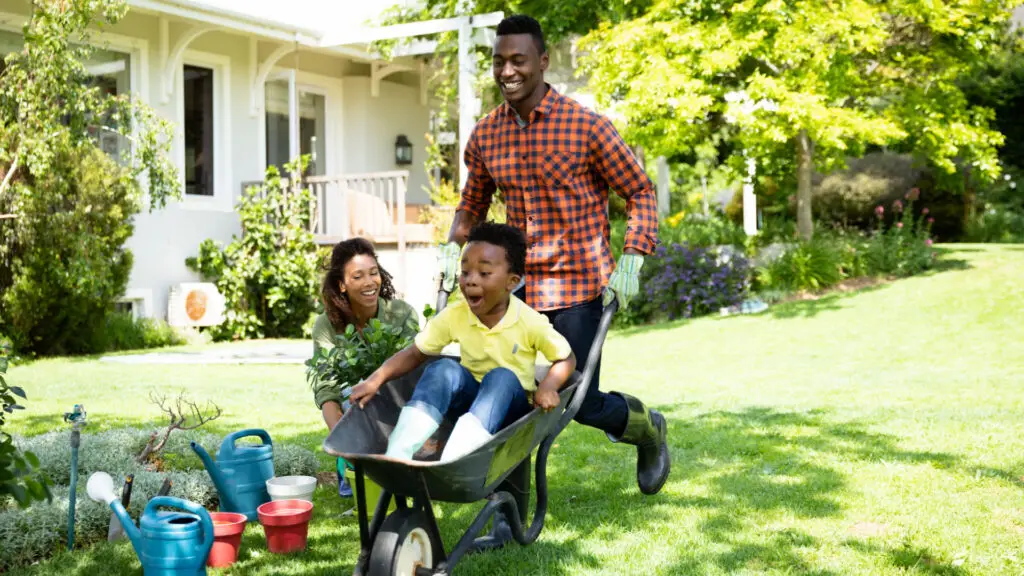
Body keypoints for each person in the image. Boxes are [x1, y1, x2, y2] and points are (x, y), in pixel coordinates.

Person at [437, 15, 670, 495]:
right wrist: (453, 244)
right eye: (499, 61)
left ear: (542, 61)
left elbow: (641, 192)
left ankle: (648, 429)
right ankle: (509, 516)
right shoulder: (485, 136)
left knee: (576, 402)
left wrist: (633, 256)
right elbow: (473, 202)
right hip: (516, 294)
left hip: (580, 289)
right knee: (509, 398)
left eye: (518, 60)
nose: (507, 71)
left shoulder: (587, 127)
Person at [349, 222, 576, 462]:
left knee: (501, 377)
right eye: (465, 272)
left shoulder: (529, 321)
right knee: (443, 368)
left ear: (511, 282)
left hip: (512, 413)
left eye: (484, 273)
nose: (470, 281)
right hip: (469, 407)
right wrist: (376, 379)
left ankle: (457, 457)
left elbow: (566, 357)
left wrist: (549, 385)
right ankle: (399, 451)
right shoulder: (456, 314)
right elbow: (415, 353)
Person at [311, 237, 420, 495]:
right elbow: (326, 385)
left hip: (398, 402)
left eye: (374, 273)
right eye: (358, 276)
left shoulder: (402, 314)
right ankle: (349, 468)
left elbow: (414, 373)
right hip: (353, 407)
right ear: (342, 285)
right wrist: (342, 437)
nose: (370, 282)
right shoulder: (326, 325)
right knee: (351, 394)